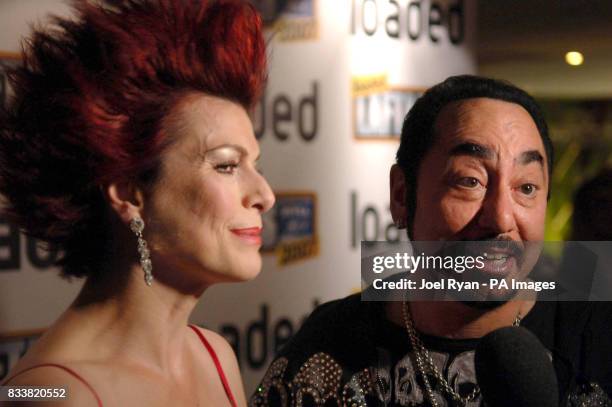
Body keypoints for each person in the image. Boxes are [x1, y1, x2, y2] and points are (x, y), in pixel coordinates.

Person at [251, 75, 612, 407]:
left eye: (526, 187)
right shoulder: (331, 347)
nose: (502, 219)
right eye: (470, 181)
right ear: (401, 195)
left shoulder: (595, 337)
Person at [0, 0, 274, 405]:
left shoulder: (215, 355)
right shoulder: (52, 393)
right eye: (227, 165)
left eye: (254, 164)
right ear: (130, 194)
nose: (265, 196)